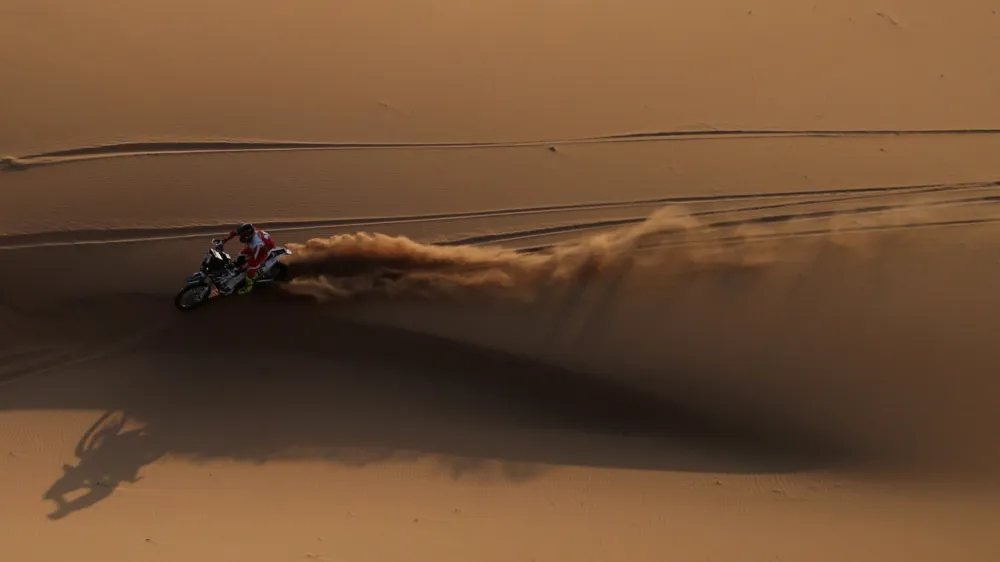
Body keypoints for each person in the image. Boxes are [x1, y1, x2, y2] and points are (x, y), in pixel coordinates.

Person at [217, 223, 275, 295]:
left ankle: (249, 285)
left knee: (250, 268)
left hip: (262, 251)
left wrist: (244, 265)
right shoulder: (247, 230)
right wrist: (223, 241)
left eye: (244, 237)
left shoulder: (257, 244)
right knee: (240, 255)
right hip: (253, 247)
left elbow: (254, 259)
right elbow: (233, 233)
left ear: (249, 235)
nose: (241, 237)